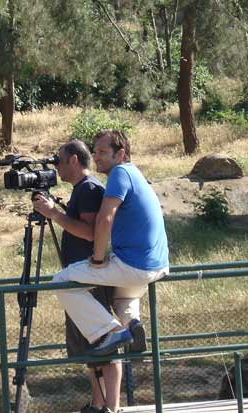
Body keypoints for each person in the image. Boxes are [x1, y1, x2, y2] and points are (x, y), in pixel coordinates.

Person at [51, 130, 170, 413]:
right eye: (96, 150)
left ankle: (111, 331)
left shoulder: (119, 174)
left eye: (103, 151)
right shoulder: (135, 173)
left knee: (61, 280)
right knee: (122, 300)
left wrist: (97, 259)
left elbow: (104, 220)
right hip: (156, 266)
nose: (97, 156)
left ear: (121, 154)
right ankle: (131, 324)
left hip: (134, 266)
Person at [32, 140, 121, 413]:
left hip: (91, 279)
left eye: (58, 160)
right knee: (91, 344)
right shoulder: (81, 190)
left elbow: (91, 232)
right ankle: (97, 403)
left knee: (106, 343)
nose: (55, 167)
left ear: (73, 159)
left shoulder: (89, 189)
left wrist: (53, 213)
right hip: (80, 280)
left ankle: (113, 406)